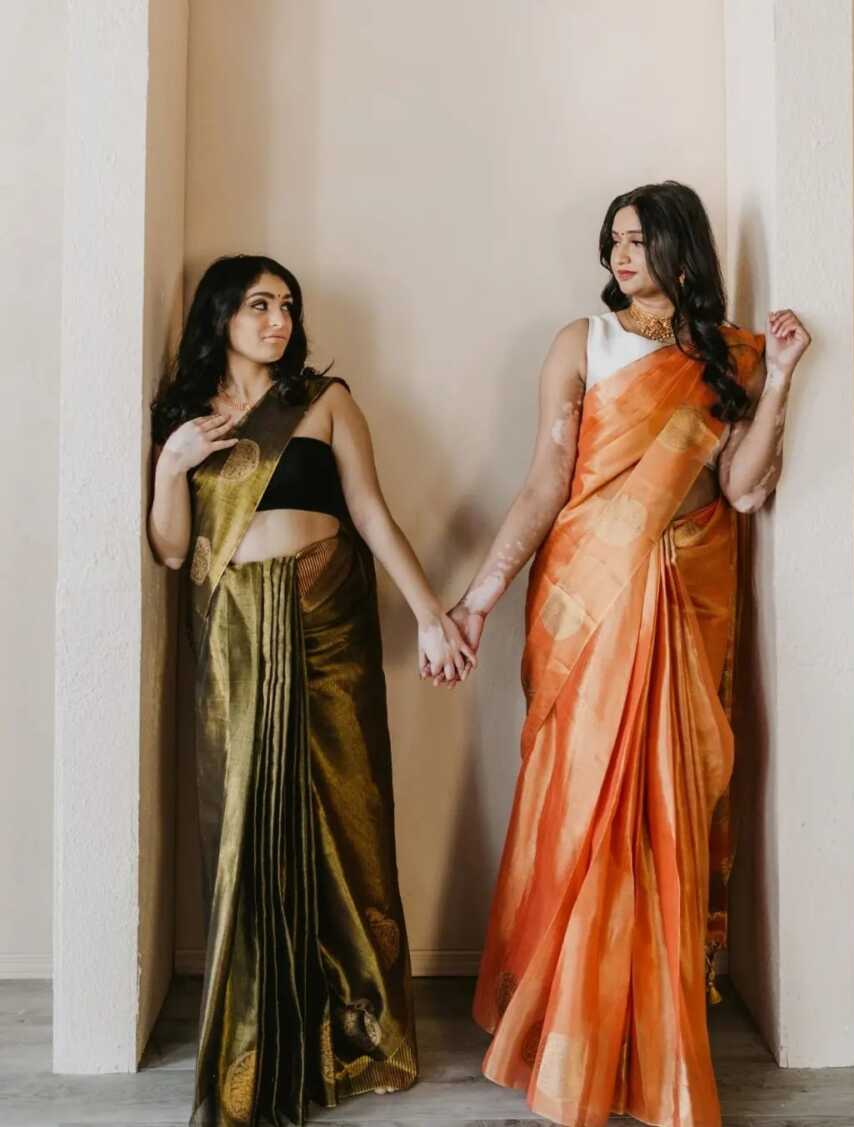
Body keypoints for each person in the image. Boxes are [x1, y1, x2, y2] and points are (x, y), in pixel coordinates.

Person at [445, 182, 810, 1127]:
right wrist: (478, 599)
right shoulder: (582, 341)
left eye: (640, 239)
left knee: (668, 808)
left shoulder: (728, 355)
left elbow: (740, 487)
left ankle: (646, 1030)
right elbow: (543, 483)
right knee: (580, 805)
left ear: (682, 246)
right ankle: (566, 1024)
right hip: (588, 601)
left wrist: (777, 382)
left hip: (685, 597)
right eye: (613, 239)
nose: (621, 254)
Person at [148, 254, 474, 1126]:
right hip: (237, 641)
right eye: (259, 305)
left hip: (330, 623)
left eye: (287, 306)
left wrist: (431, 614)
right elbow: (176, 552)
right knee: (248, 827)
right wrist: (169, 466)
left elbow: (370, 510)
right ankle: (260, 1037)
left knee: (349, 816)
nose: (278, 320)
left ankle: (360, 1030)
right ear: (220, 316)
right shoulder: (186, 420)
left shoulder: (325, 399)